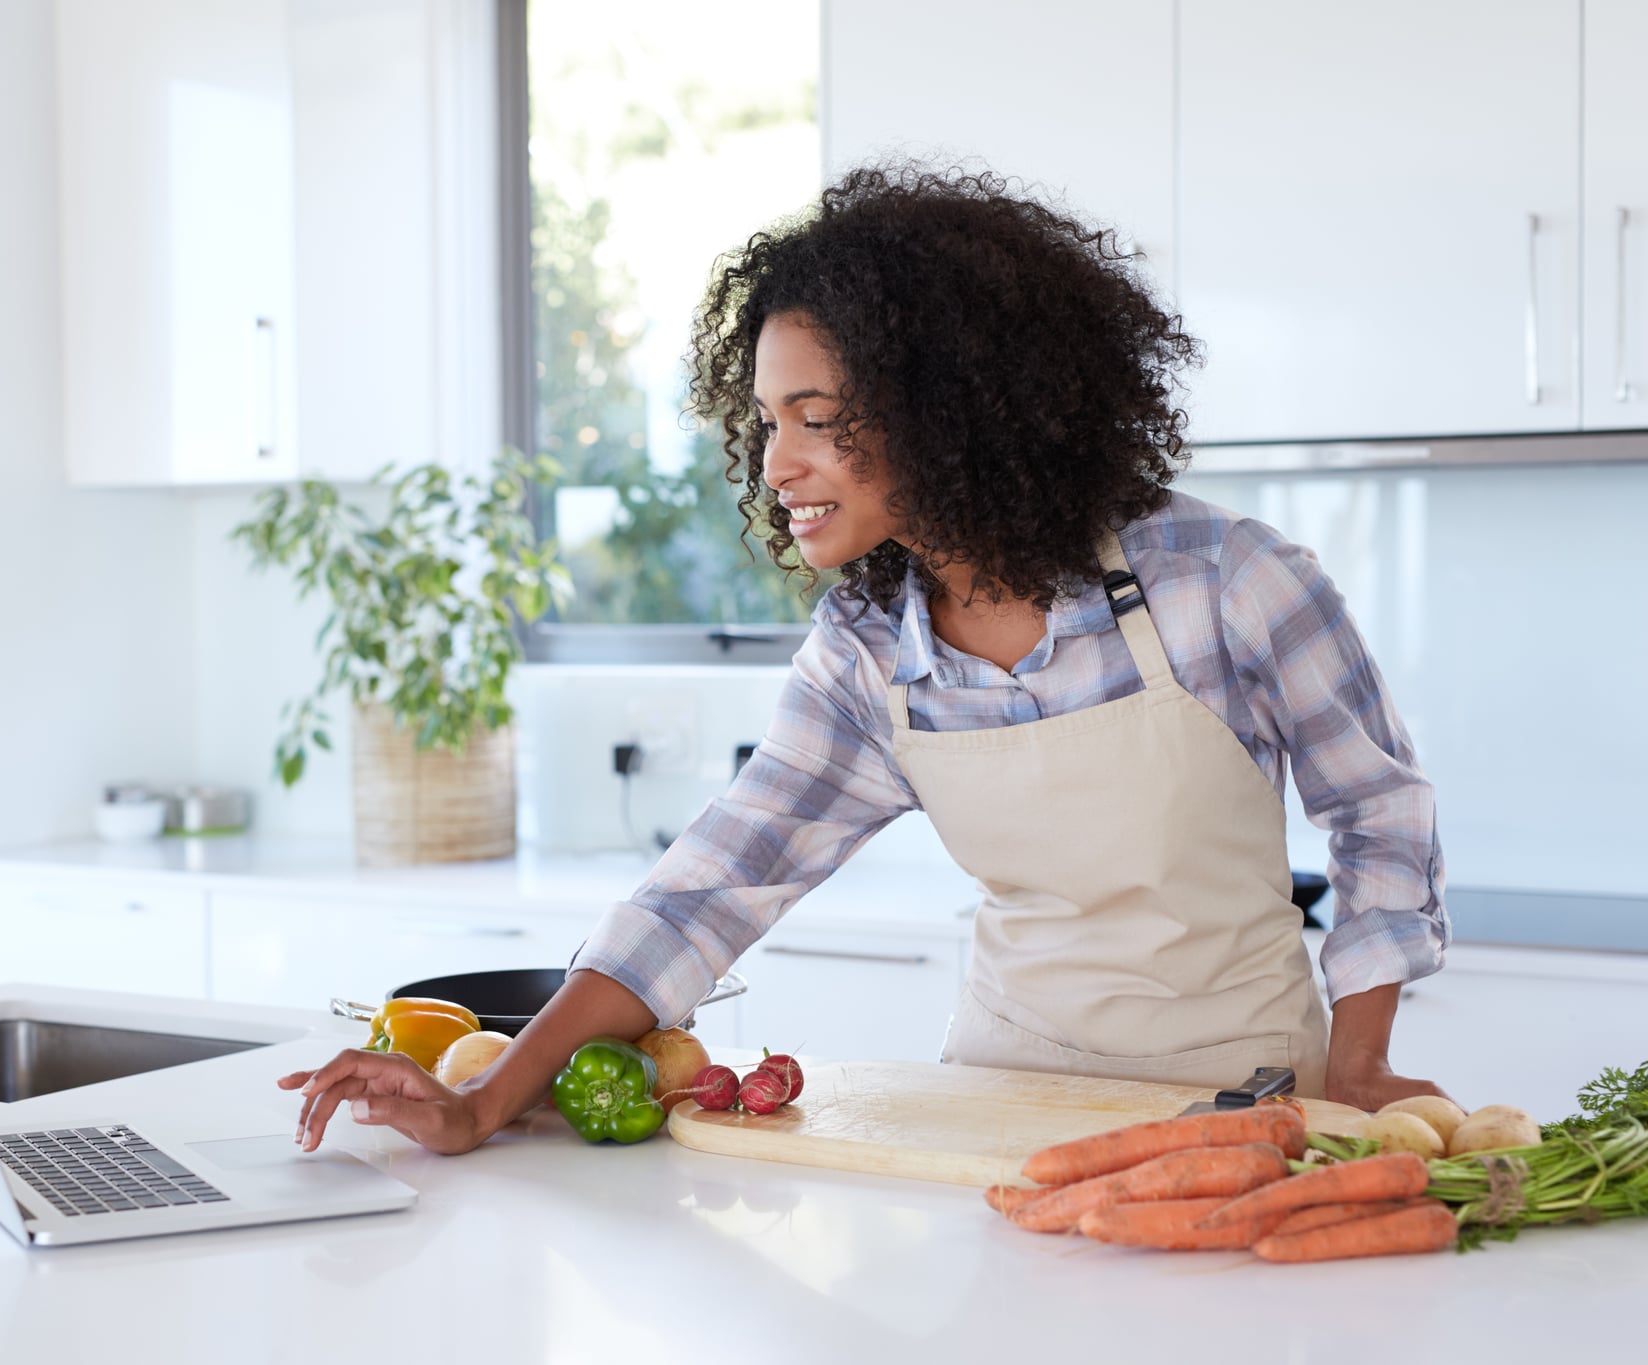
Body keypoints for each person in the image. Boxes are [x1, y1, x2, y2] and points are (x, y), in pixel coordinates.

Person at [282, 164, 1449, 1153]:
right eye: (765, 419)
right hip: (998, 1090)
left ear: (948, 406)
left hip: (1246, 1096)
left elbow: (1377, 814)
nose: (775, 462)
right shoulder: (865, 653)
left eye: (816, 415)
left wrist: (1360, 1067)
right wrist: (482, 1102)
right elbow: (708, 890)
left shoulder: (1225, 582)